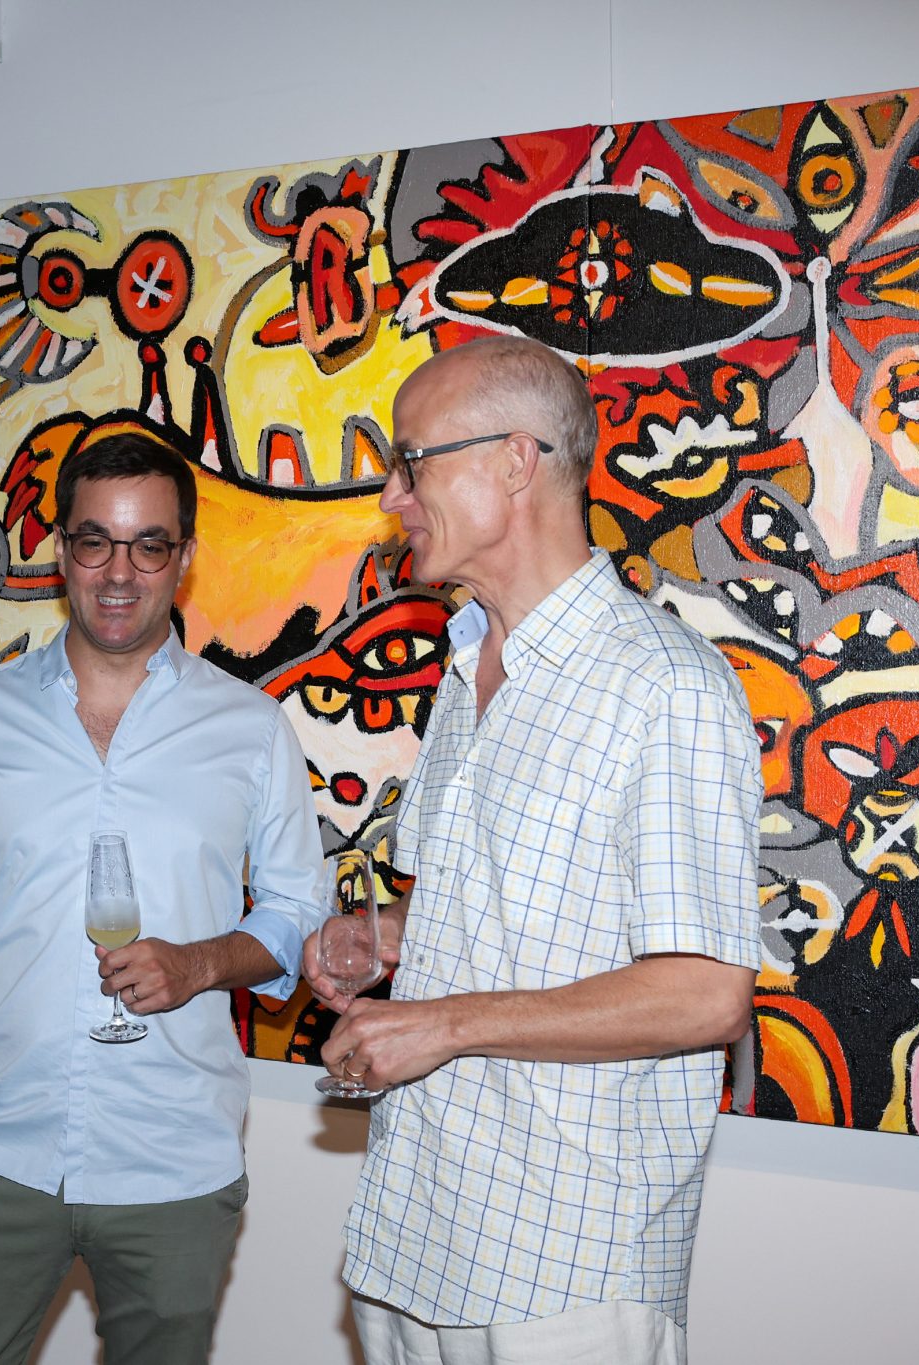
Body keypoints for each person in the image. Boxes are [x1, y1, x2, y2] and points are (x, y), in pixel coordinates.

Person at [307, 337, 762, 1364]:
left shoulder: (664, 686)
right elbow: (515, 904)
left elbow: (705, 995)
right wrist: (390, 933)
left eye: (410, 461)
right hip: (415, 1229)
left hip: (563, 1269)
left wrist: (441, 1024)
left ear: (515, 462)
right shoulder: (466, 664)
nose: (391, 496)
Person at [0, 421, 324, 1365]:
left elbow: (298, 912)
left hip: (174, 1161)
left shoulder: (250, 728)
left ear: (184, 559)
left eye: (148, 545)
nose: (119, 572)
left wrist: (198, 962)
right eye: (95, 541)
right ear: (61, 550)